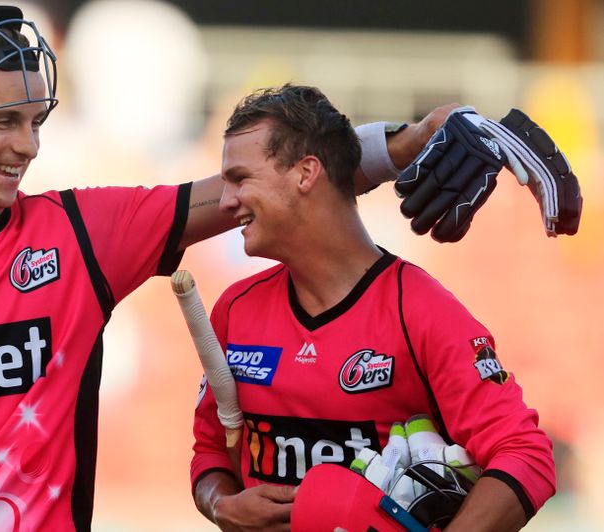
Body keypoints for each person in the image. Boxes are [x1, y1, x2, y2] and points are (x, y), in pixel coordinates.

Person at [0, 6, 457, 531]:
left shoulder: (81, 233)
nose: (29, 146)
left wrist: (404, 145)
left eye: (35, 121)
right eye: (4, 122)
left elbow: (271, 189)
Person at [189, 84, 556, 531]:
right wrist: (219, 504)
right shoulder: (234, 309)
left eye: (240, 179)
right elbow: (209, 450)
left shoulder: (420, 310)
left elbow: (526, 455)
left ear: (306, 174)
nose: (225, 203)